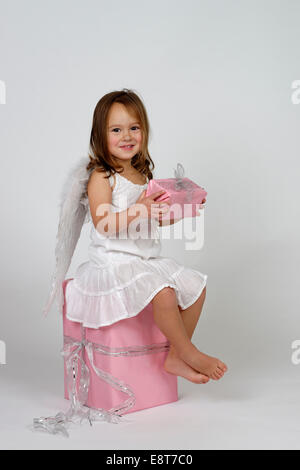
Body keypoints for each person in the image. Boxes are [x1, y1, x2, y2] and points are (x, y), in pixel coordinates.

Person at [48, 88, 228, 385]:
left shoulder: (142, 176)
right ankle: (187, 351)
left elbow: (152, 219)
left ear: (144, 131)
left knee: (196, 287)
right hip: (113, 263)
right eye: (116, 130)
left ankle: (172, 356)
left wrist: (181, 212)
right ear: (100, 136)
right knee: (163, 292)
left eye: (134, 128)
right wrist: (138, 209)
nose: (127, 136)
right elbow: (103, 222)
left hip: (145, 259)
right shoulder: (101, 176)